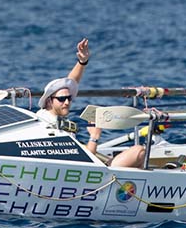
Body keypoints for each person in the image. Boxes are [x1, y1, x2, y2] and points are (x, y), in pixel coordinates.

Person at [37, 38, 145, 168]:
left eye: (69, 98)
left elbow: (71, 82)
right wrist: (94, 136)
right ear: (49, 101)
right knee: (138, 152)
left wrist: (82, 62)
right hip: (86, 171)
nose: (66, 102)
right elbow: (86, 162)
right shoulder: (48, 124)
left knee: (139, 153)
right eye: (61, 99)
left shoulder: (52, 115)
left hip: (83, 166)